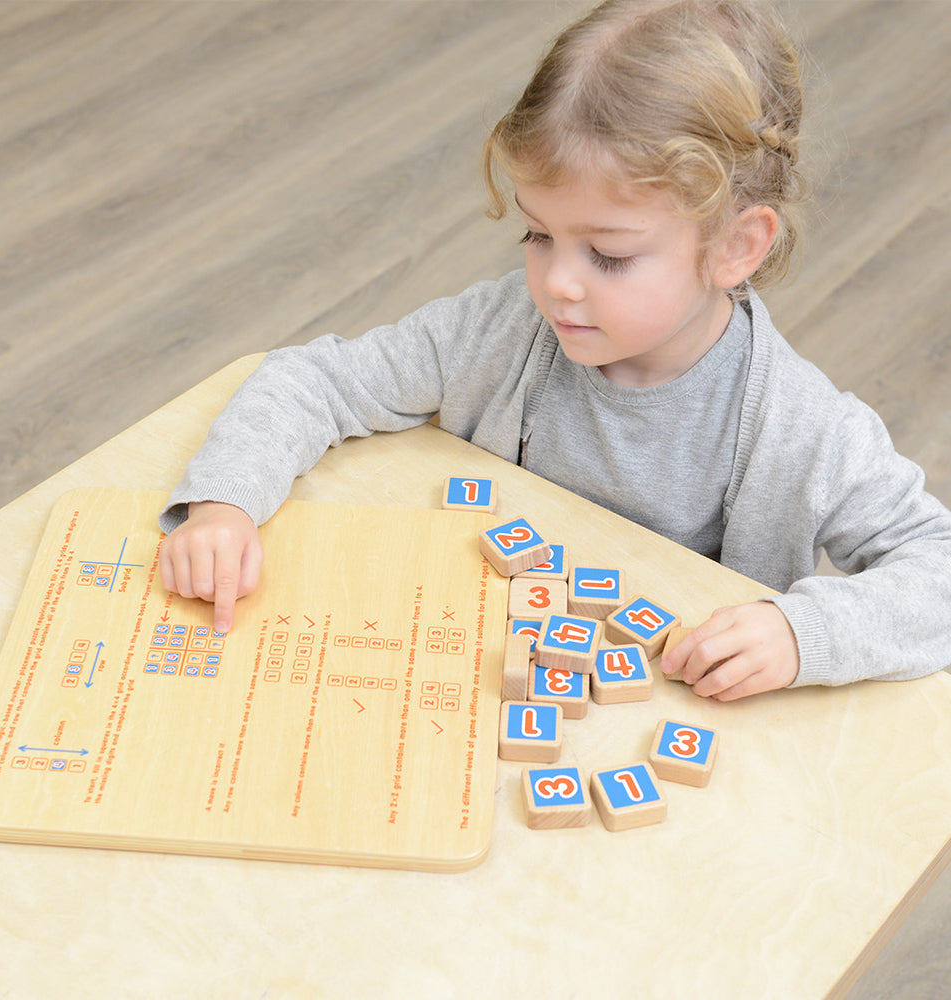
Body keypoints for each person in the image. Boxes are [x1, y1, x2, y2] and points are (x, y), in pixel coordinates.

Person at [158, 0, 951, 701]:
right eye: (538, 234)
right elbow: (314, 381)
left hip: (665, 722)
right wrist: (226, 503)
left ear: (737, 246)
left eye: (607, 254)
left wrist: (798, 633)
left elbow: (938, 568)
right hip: (468, 672)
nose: (558, 284)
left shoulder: (804, 430)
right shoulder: (501, 328)